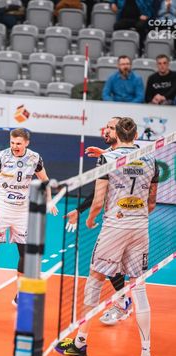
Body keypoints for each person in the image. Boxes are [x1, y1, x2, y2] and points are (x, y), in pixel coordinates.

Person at [55, 117, 159, 356]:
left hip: (115, 226)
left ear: (117, 134)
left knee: (95, 279)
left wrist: (90, 219)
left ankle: (80, 343)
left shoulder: (107, 160)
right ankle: (146, 354)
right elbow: (152, 202)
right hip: (140, 227)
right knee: (139, 287)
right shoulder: (151, 159)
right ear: (136, 134)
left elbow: (99, 201)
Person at [0, 128, 58, 311]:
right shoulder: (0, 157)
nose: (15, 146)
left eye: (18, 143)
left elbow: (44, 180)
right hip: (1, 208)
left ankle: (20, 293)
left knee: (25, 253)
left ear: (26, 143)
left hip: (22, 211)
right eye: (12, 142)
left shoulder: (35, 158)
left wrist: (49, 200)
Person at [64, 117, 133, 326]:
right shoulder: (111, 156)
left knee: (106, 265)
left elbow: (102, 193)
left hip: (121, 221)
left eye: (112, 128)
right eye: (107, 127)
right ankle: (125, 301)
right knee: (114, 265)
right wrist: (79, 210)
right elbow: (98, 190)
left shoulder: (119, 156)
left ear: (120, 132)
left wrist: (89, 216)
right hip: (125, 221)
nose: (107, 131)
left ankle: (123, 304)